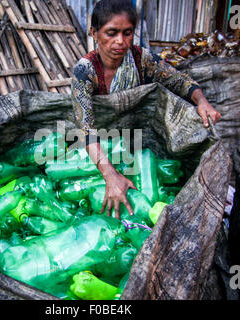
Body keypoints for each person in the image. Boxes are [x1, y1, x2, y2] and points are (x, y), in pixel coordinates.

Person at [71, 0, 221, 219]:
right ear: (94, 33)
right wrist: (110, 176)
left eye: (127, 33)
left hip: (137, 145)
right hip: (99, 150)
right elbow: (85, 129)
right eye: (111, 33)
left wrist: (201, 101)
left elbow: (178, 80)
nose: (120, 42)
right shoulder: (85, 71)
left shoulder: (142, 60)